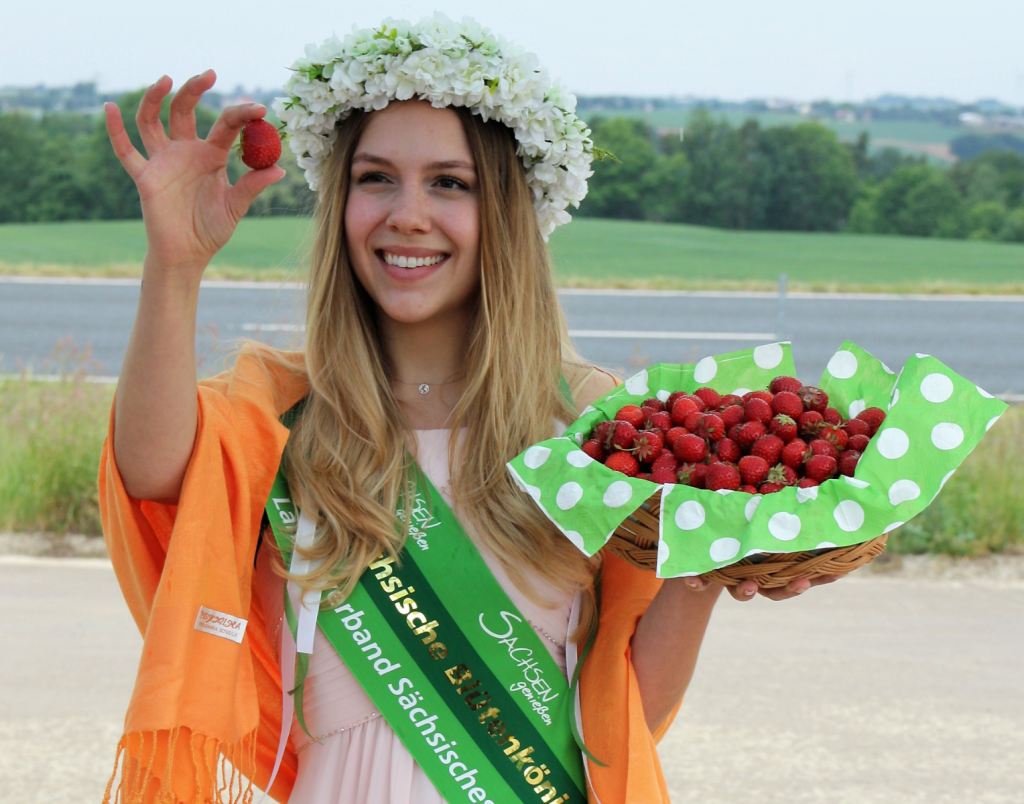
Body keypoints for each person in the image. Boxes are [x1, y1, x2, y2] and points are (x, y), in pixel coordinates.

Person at [98, 14, 841, 804]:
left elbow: (629, 716)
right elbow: (150, 472)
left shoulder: (594, 424)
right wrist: (173, 265)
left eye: (449, 183)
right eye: (375, 177)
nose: (406, 214)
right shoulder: (281, 412)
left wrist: (712, 559)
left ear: (509, 212)